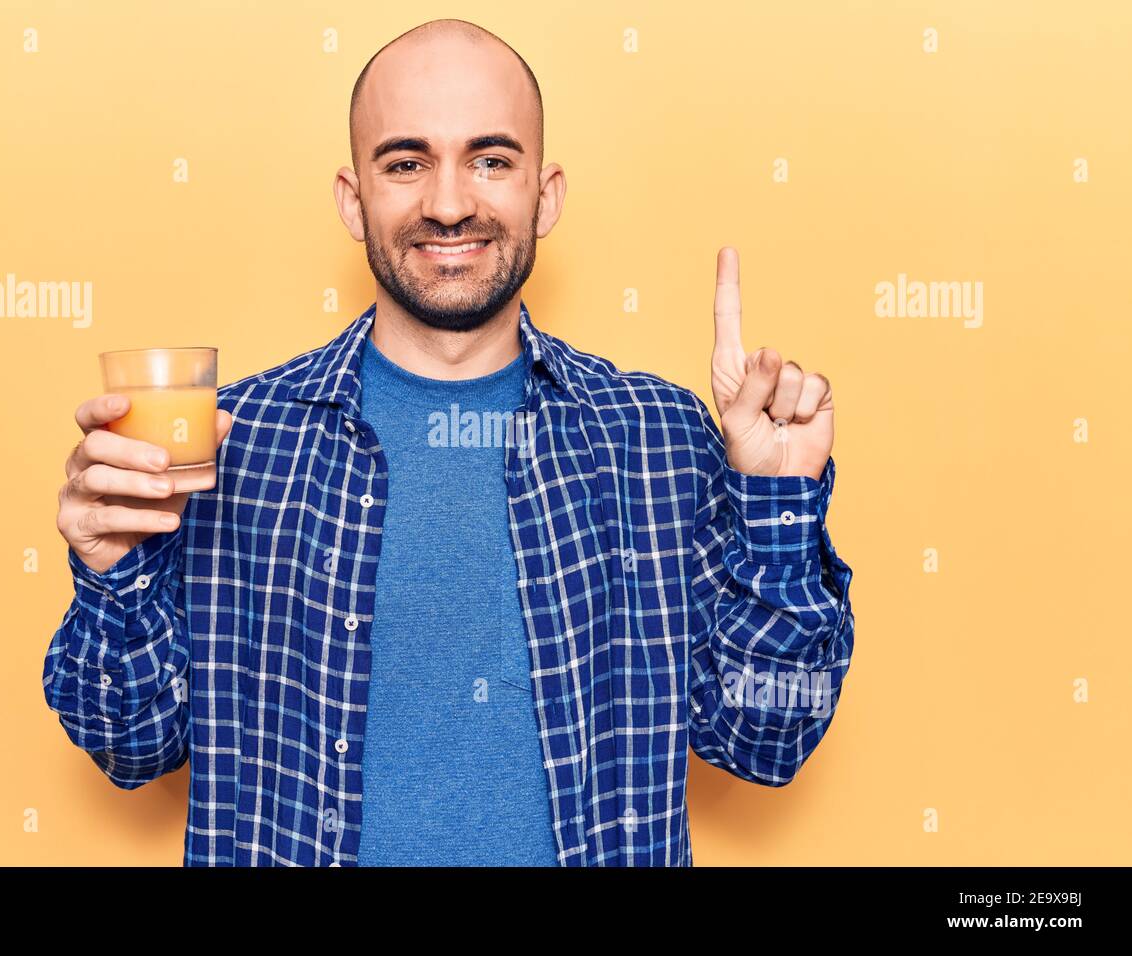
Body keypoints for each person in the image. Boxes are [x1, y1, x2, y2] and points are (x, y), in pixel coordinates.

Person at [43, 18, 855, 867]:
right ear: (353, 200)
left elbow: (766, 738)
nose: (449, 203)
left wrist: (778, 504)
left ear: (546, 195)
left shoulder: (658, 438)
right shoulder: (233, 443)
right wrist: (112, 571)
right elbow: (130, 745)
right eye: (406, 163)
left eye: (491, 160)